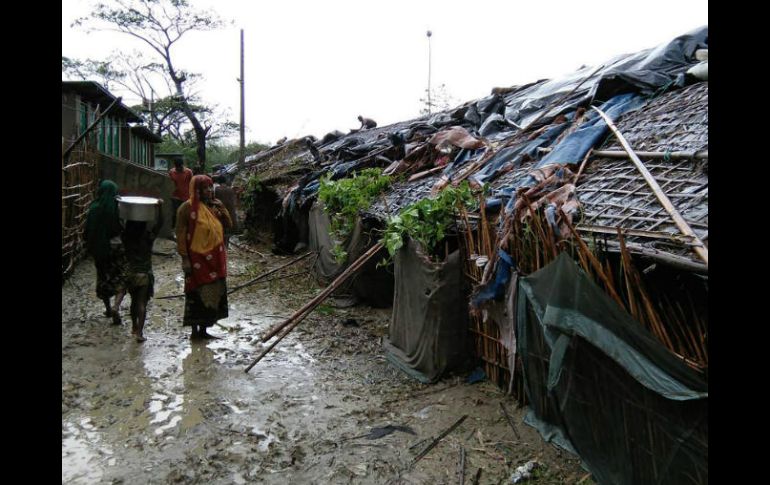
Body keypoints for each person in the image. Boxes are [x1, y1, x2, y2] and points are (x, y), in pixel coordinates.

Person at [175, 175, 232, 340]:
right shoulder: (186, 208)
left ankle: (204, 330)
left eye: (210, 187)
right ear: (197, 190)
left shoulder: (213, 207)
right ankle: (194, 331)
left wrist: (223, 208)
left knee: (213, 293)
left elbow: (229, 225)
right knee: (196, 292)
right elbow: (180, 233)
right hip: (196, 259)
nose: (209, 190)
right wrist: (185, 258)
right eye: (205, 188)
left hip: (215, 258)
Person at [84, 180, 127, 325]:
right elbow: (122, 227)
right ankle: (116, 306)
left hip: (99, 249)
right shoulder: (118, 207)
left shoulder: (94, 208)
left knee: (103, 278)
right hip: (116, 247)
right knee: (121, 277)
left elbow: (88, 230)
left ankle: (108, 309)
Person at [121, 200, 164, 342]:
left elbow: (117, 223)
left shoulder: (126, 237)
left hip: (131, 273)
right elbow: (160, 223)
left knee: (133, 302)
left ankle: (133, 327)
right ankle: (140, 332)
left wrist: (120, 207)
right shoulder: (148, 238)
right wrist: (160, 208)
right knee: (142, 304)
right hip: (145, 274)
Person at [212, 174, 239, 248]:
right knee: (227, 233)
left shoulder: (216, 190)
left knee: (221, 232)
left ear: (218, 181)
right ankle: (226, 247)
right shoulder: (231, 190)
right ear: (226, 181)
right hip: (230, 213)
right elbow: (234, 202)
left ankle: (221, 248)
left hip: (220, 213)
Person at [168, 159, 193, 232]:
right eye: (177, 167)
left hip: (186, 197)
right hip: (175, 196)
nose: (179, 168)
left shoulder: (188, 172)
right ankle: (174, 229)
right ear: (175, 166)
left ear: (183, 165)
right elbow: (169, 183)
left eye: (180, 167)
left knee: (185, 214)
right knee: (175, 213)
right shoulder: (171, 172)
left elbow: (192, 183)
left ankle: (185, 229)